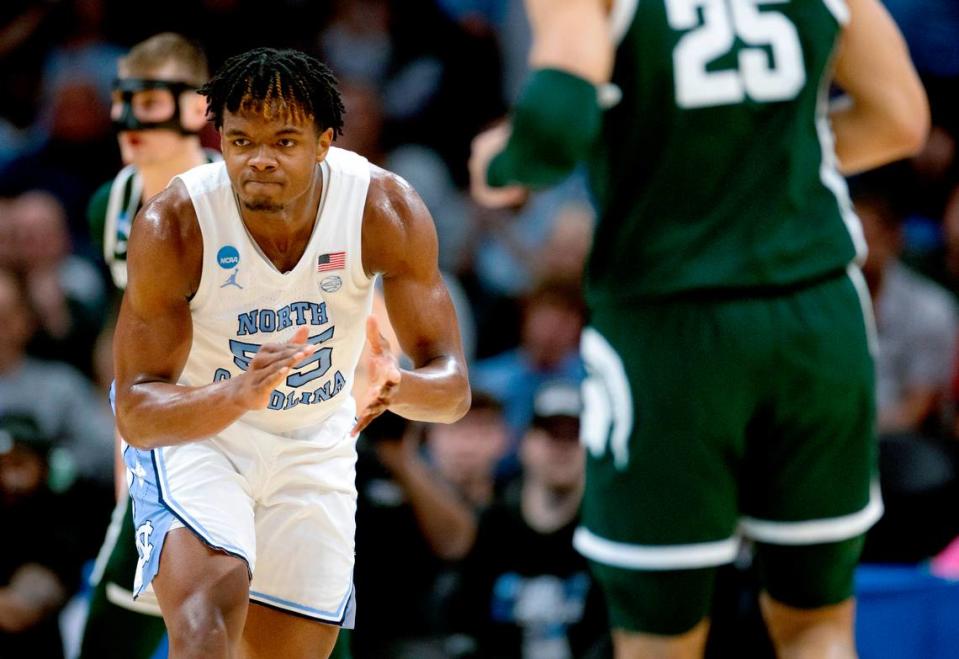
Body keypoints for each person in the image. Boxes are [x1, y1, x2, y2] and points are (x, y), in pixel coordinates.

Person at [469, 0, 929, 656]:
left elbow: (552, 124)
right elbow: (899, 120)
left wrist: (494, 167)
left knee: (660, 638)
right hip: (815, 310)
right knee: (815, 622)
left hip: (668, 324)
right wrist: (768, 160)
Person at [113, 47, 470, 659]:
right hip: (203, 438)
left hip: (314, 445)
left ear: (324, 142)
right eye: (242, 140)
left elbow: (453, 389)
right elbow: (137, 412)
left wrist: (397, 386)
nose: (259, 160)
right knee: (202, 632)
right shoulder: (174, 223)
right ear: (218, 139)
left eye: (283, 142)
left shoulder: (383, 209)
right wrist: (233, 395)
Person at [79, 33, 218, 659]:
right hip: (158, 441)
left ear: (194, 110)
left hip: (252, 434)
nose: (132, 120)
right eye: (123, 101)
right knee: (111, 628)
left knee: (295, 624)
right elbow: (128, 340)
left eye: (151, 102)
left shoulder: (242, 200)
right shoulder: (112, 206)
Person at [450, 380, 609, 659]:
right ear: (525, 442)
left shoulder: (606, 533)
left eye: (574, 435)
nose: (562, 447)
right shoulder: (493, 525)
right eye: (551, 434)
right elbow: (464, 622)